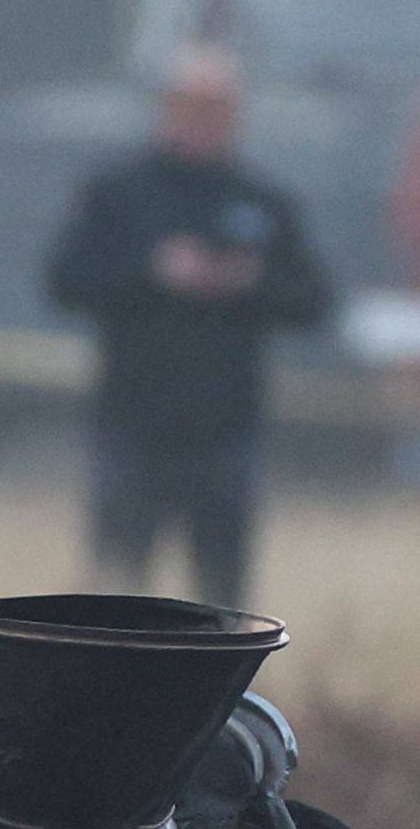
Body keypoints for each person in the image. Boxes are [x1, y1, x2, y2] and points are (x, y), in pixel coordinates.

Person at [44, 45, 332, 610]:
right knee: (116, 589)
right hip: (132, 423)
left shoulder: (263, 200)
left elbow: (314, 301)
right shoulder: (118, 194)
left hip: (226, 428)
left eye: (219, 107)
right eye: (193, 106)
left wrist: (250, 282)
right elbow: (65, 282)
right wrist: (152, 273)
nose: (206, 120)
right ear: (167, 109)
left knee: (222, 597)